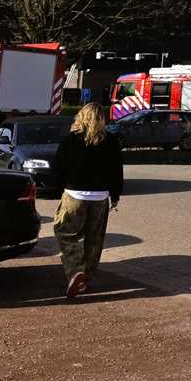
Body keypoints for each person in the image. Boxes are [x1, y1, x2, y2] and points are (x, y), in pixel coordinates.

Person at [52, 103, 124, 298]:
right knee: (95, 238)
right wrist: (115, 195)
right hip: (100, 196)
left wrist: (59, 189)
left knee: (66, 233)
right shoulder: (111, 141)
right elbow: (116, 171)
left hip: (74, 195)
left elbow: (58, 168)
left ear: (81, 116)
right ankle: (87, 277)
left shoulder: (70, 140)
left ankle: (76, 271)